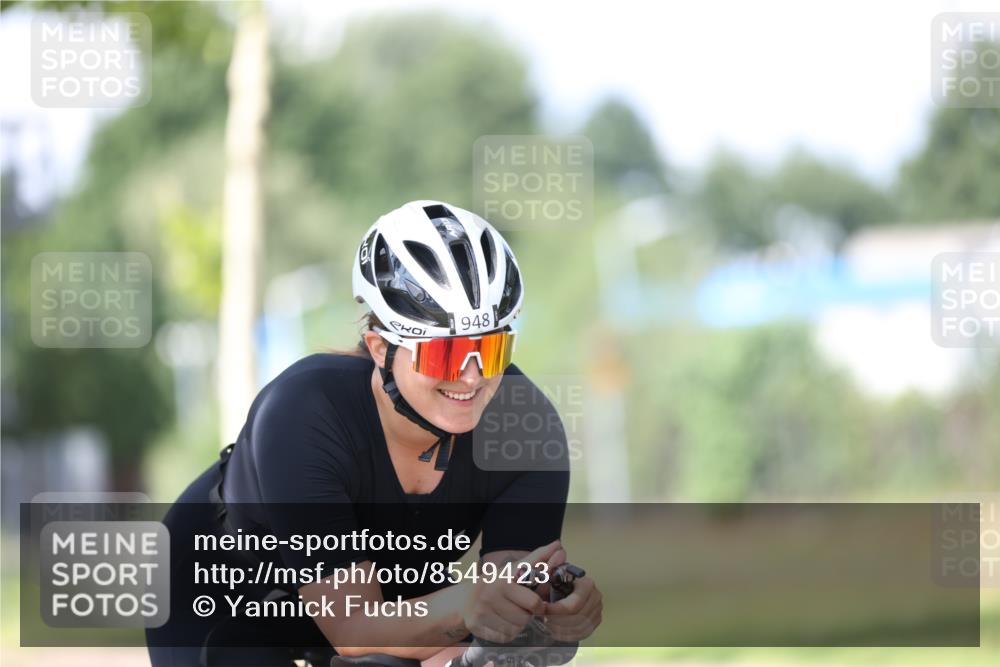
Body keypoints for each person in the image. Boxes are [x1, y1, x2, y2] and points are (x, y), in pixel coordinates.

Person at [146, 200, 602, 666]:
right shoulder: (306, 410)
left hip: (383, 598)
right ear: (380, 347)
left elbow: (501, 608)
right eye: (443, 355)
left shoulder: (524, 426)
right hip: (227, 592)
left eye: (489, 350)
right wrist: (466, 606)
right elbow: (352, 626)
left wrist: (551, 609)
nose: (470, 377)